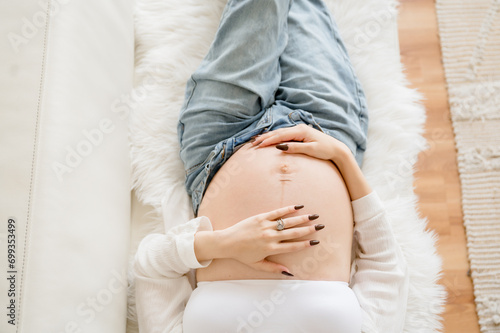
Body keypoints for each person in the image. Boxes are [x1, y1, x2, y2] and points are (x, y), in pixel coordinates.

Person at [134, 0, 409, 332]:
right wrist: (341, 157)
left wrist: (227, 244)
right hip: (325, 131)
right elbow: (385, 265)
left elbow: (151, 266)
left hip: (218, 144)